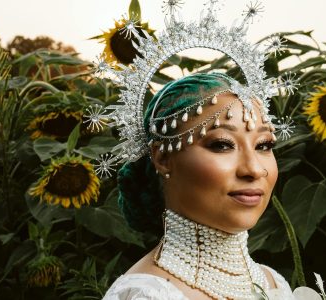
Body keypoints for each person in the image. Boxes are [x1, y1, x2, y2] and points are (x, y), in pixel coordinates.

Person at [102, 73, 294, 300]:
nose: (253, 169)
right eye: (222, 145)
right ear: (163, 158)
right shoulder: (145, 295)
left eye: (264, 145)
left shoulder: (273, 283)